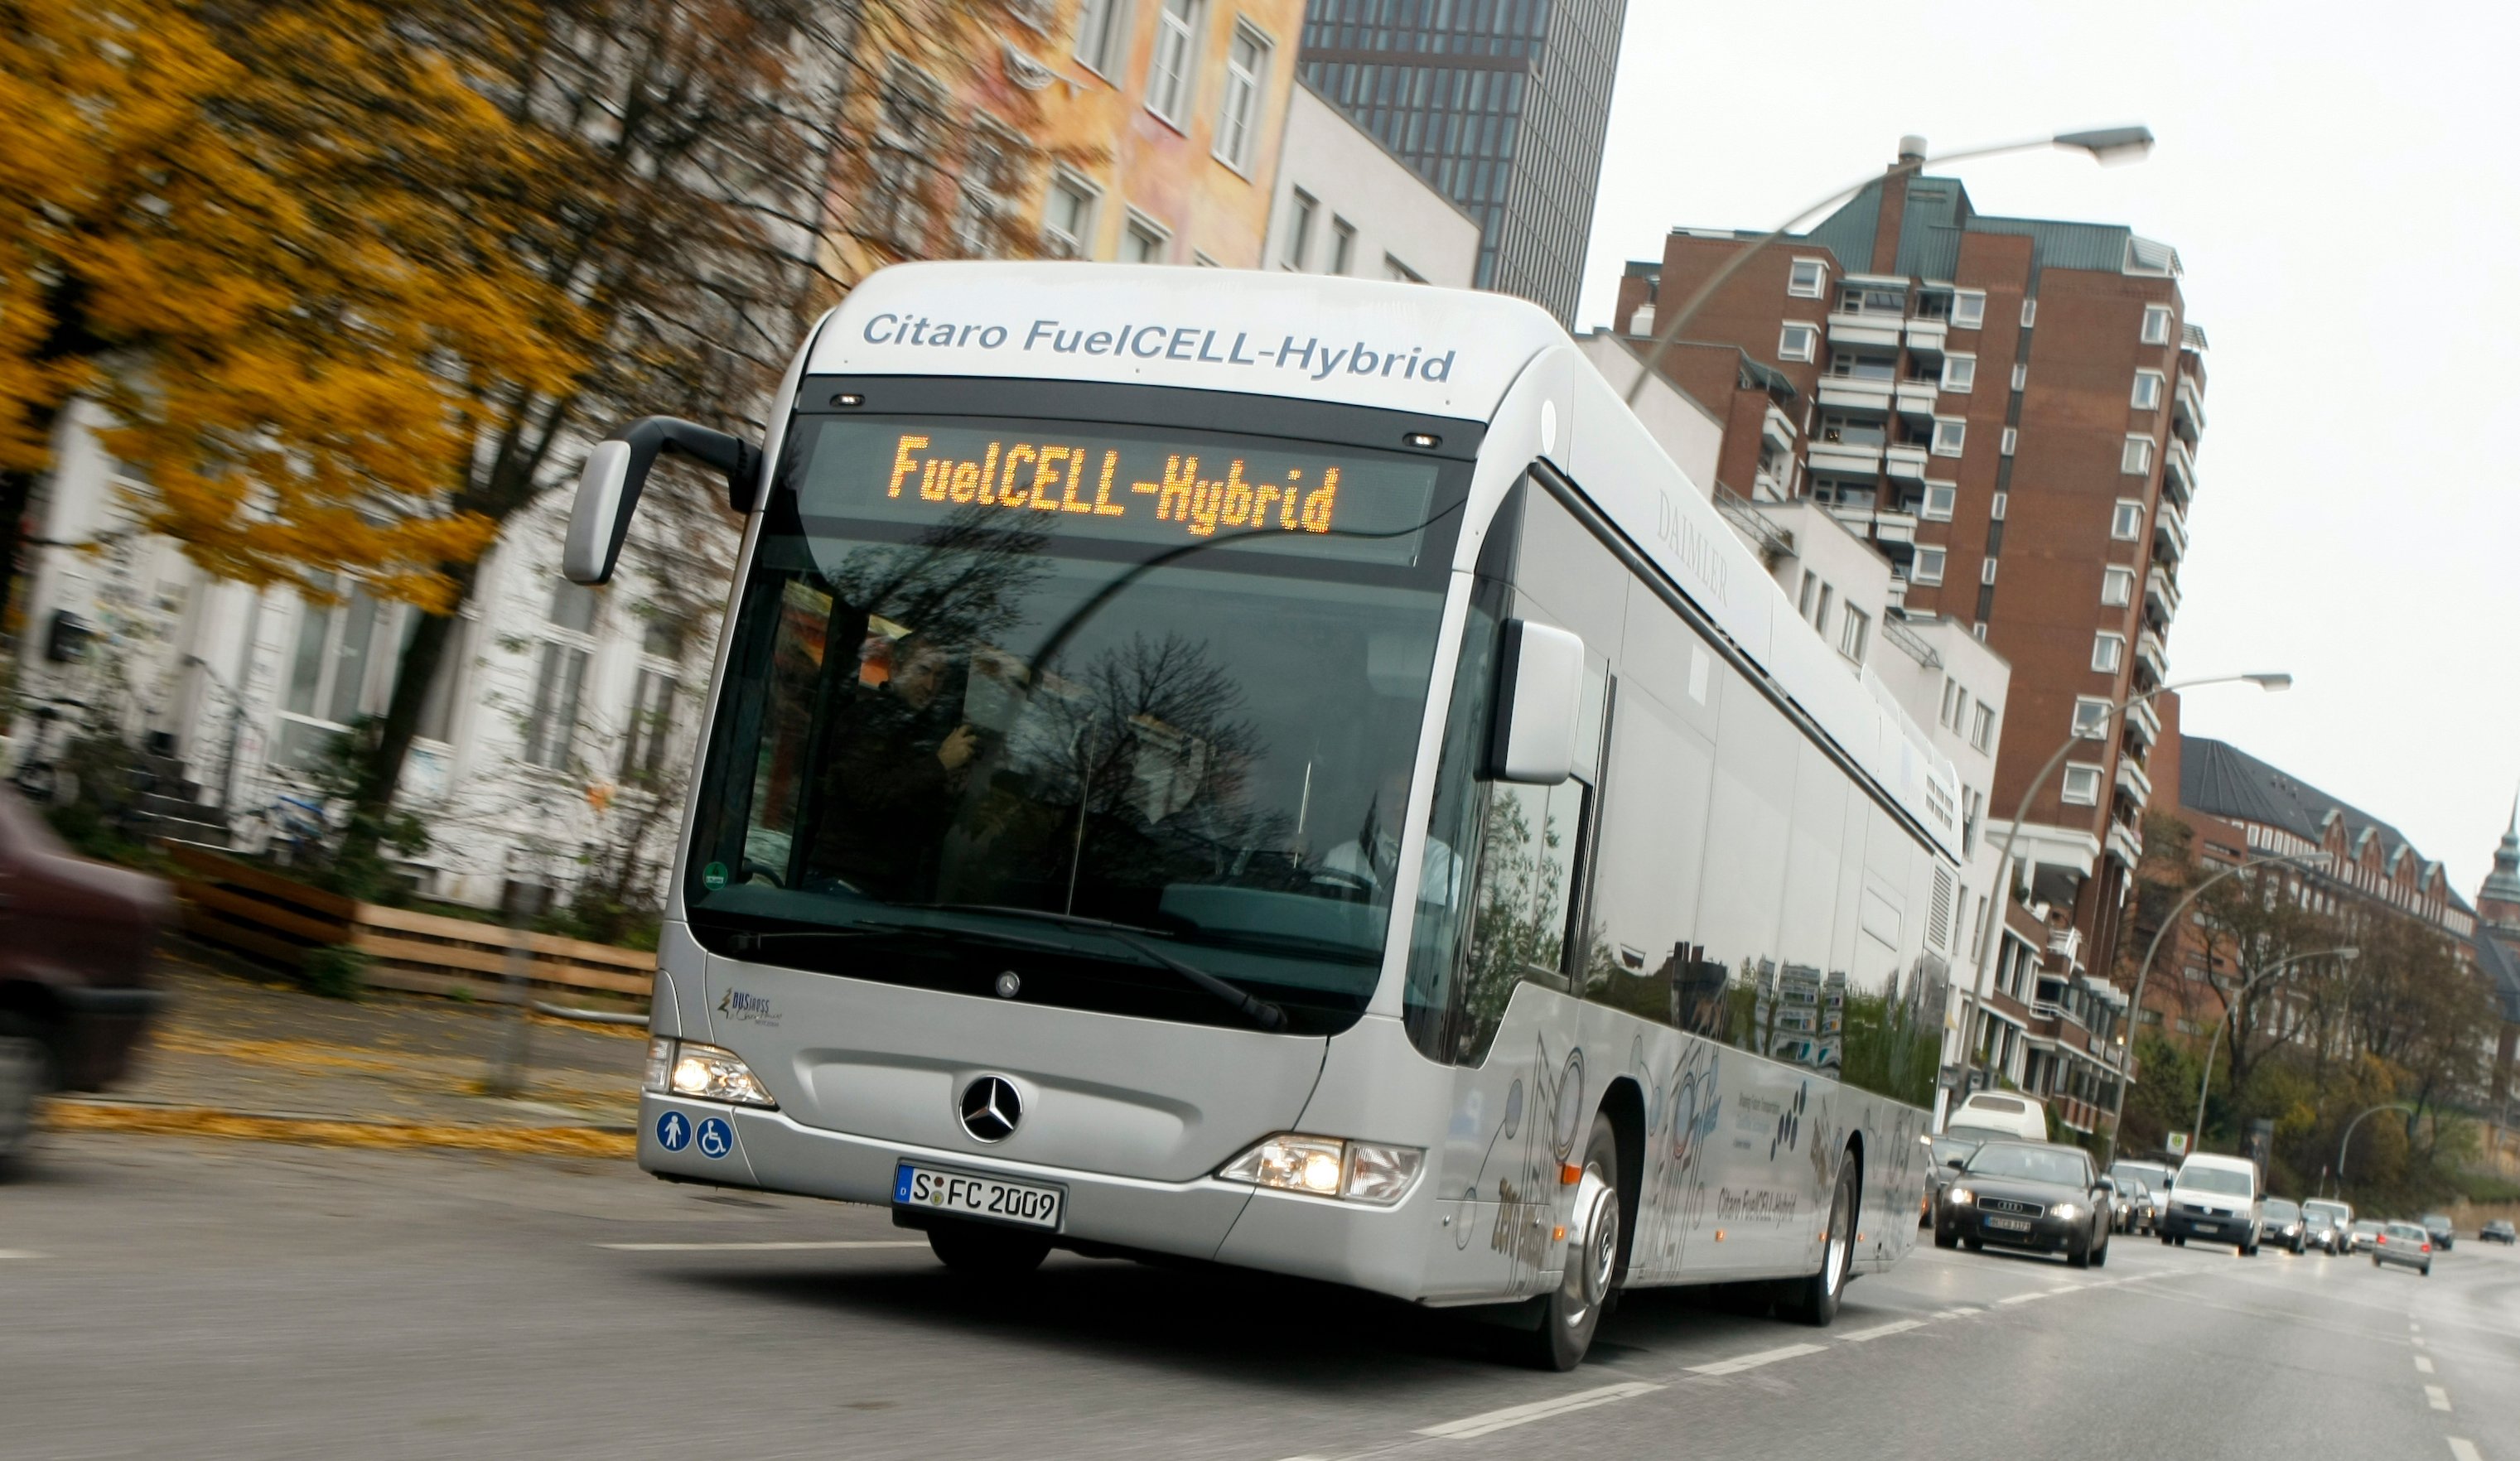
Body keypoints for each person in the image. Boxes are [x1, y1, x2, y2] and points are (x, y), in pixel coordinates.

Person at [1322, 766, 1459, 906]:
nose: (1399, 806)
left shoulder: (1445, 863)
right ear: (1379, 801)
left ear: (1428, 806)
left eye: (1409, 798)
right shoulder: (1339, 858)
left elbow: (1440, 923)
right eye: (1394, 796)